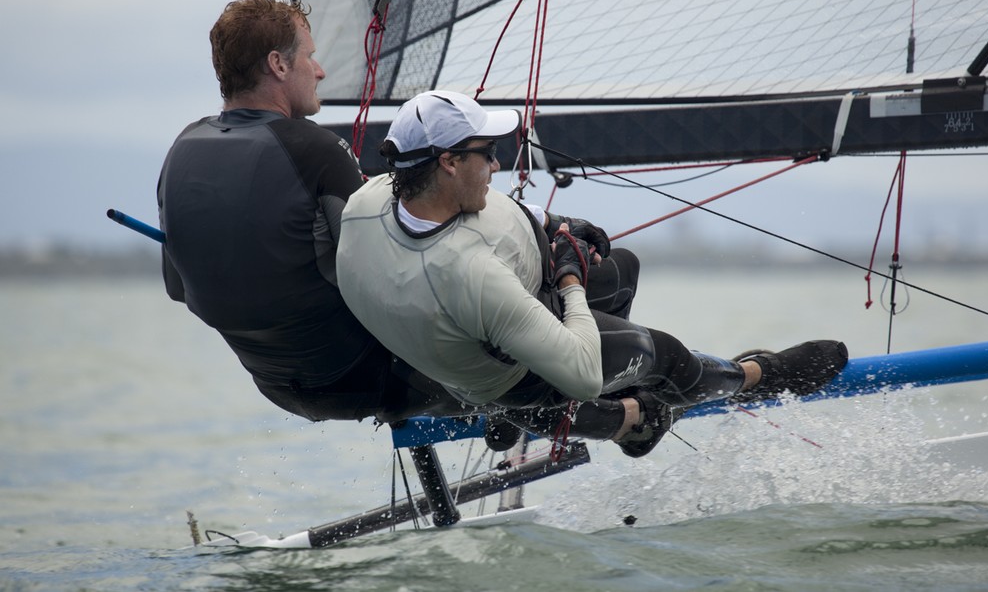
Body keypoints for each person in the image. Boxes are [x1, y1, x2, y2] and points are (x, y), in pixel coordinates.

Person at [336, 90, 849, 456]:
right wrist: (568, 278)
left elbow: (489, 211)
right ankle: (752, 377)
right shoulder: (469, 273)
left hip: (470, 333)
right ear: (448, 162)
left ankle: (611, 413)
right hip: (514, 374)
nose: (497, 166)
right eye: (488, 154)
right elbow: (579, 372)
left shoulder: (374, 198)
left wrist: (556, 223)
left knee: (622, 267)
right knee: (663, 355)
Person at [157, 0, 459, 423]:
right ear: (279, 65)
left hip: (276, 387)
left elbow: (177, 287)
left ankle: (512, 416)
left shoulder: (182, 149)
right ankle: (543, 410)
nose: (320, 71)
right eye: (310, 58)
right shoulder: (312, 148)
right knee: (535, 342)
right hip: (371, 378)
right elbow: (395, 275)